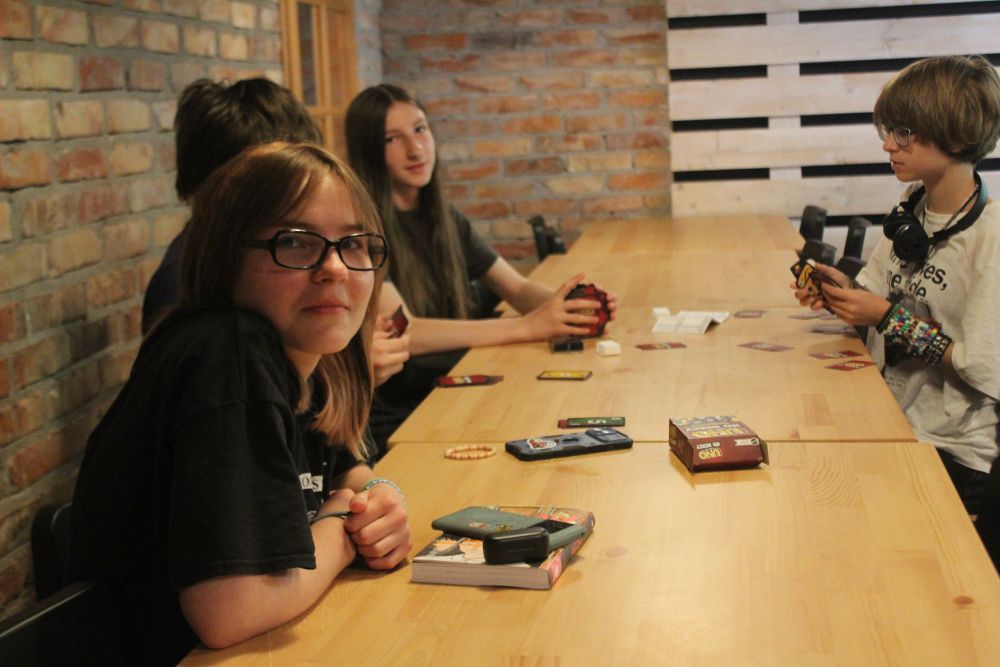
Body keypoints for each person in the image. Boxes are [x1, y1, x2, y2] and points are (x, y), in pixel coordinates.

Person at [72, 142, 412, 664]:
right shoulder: (228, 352)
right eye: (294, 243)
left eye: (354, 243)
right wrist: (344, 532)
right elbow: (229, 610)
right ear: (225, 256)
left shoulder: (302, 348)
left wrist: (380, 498)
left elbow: (345, 471)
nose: (335, 268)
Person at [344, 84, 617, 455]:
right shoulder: (362, 229)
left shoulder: (443, 217)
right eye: (393, 139)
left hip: (455, 394)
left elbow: (516, 289)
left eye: (421, 129)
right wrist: (525, 327)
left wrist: (574, 306)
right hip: (404, 421)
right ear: (368, 150)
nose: (416, 148)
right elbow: (407, 331)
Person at [792, 55, 1000, 515]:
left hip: (952, 453)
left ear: (955, 134)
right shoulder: (912, 206)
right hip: (890, 418)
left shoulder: (991, 238)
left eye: (904, 133)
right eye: (888, 131)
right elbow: (875, 292)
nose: (888, 144)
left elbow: (985, 368)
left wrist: (888, 320)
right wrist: (839, 290)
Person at [141, 77, 409, 386]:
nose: (335, 269)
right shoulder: (193, 296)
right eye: (293, 241)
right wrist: (343, 375)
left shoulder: (331, 242)